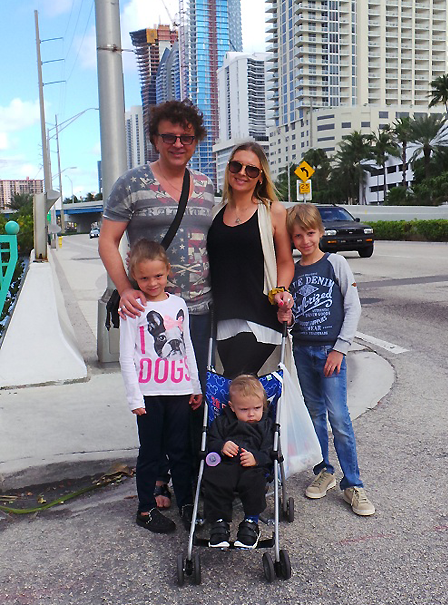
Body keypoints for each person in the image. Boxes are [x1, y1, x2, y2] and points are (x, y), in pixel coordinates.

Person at [99, 99, 214, 509]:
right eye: (170, 136)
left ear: (196, 141)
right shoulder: (131, 184)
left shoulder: (206, 186)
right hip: (149, 315)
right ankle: (159, 479)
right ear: (155, 139)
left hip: (198, 310)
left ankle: (191, 477)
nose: (178, 144)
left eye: (187, 137)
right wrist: (125, 288)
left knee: (191, 397)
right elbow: (108, 241)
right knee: (156, 400)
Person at [278, 203, 375, 516]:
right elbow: (293, 318)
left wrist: (340, 348)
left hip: (330, 352)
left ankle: (354, 484)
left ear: (320, 232)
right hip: (303, 351)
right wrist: (287, 317)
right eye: (298, 236)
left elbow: (352, 307)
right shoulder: (293, 271)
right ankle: (324, 471)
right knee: (315, 414)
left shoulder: (335, 263)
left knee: (339, 418)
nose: (305, 241)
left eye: (310, 233)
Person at [119, 239, 202, 533]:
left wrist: (195, 385)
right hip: (149, 394)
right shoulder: (133, 308)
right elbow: (126, 356)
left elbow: (188, 346)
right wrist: (135, 397)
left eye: (158, 275)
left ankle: (187, 502)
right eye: (144, 278)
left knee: (180, 450)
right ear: (134, 276)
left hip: (179, 391)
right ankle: (145, 509)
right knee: (150, 453)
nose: (152, 283)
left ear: (168, 271)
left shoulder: (178, 305)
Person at [206, 142, 294, 378]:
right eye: (237, 166)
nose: (242, 173)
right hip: (224, 316)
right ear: (228, 169)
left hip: (260, 315)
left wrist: (281, 291)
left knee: (236, 380)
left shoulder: (273, 211)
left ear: (261, 177)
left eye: (251, 169)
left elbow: (285, 261)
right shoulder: (214, 214)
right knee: (239, 388)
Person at [203, 375, 273, 549]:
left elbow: (269, 452)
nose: (251, 414)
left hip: (252, 468)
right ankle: (219, 523)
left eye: (257, 408)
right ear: (232, 407)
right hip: (225, 465)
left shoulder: (265, 426)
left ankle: (250, 523)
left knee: (255, 481)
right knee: (214, 478)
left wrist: (256, 458)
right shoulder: (222, 422)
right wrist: (221, 446)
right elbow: (211, 442)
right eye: (244, 409)